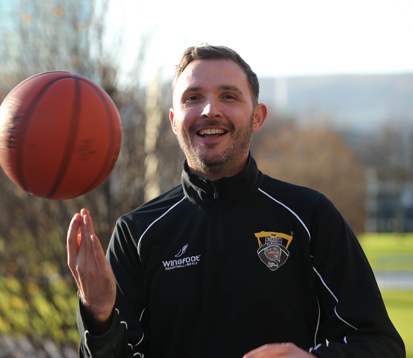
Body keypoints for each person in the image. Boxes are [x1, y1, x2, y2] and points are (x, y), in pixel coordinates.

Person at [66, 45, 405, 357]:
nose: (210, 110)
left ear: (257, 116)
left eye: (228, 96)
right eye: (193, 98)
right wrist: (98, 317)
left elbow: (381, 344)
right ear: (173, 121)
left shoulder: (310, 215)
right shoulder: (136, 233)